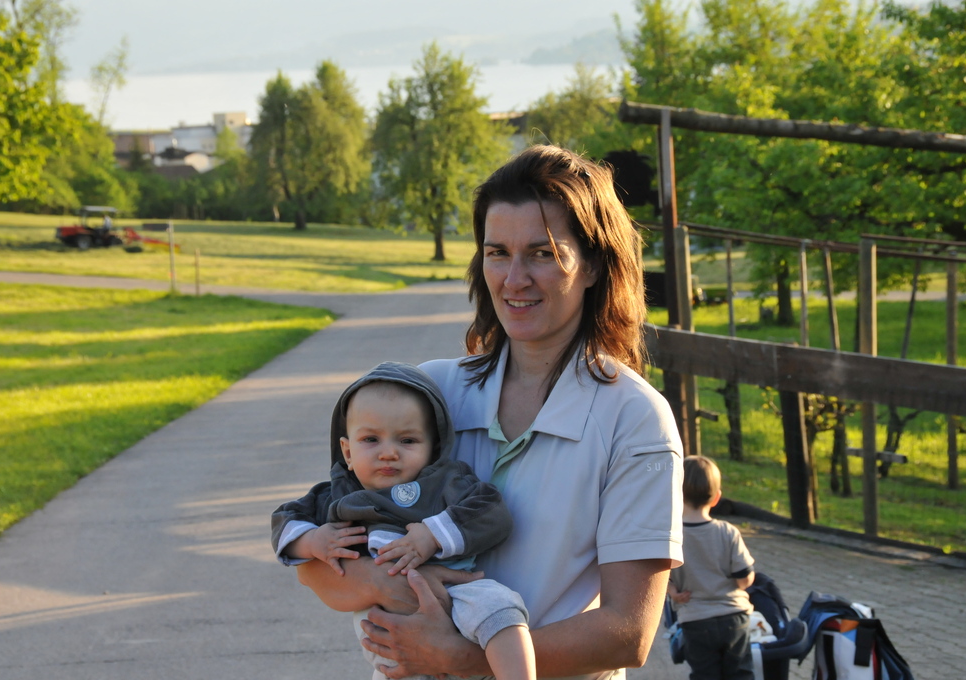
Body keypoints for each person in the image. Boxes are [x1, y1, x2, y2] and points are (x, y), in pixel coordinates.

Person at [295, 144, 684, 680]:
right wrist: (392, 583)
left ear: (593, 264)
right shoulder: (429, 393)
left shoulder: (634, 419)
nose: (514, 278)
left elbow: (628, 632)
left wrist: (464, 657)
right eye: (497, 252)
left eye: (542, 253)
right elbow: (315, 563)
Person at [272, 361, 535, 680]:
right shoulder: (337, 495)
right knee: (392, 663)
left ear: (433, 448)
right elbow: (284, 521)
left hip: (458, 591)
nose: (389, 453)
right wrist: (313, 541)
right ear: (348, 451)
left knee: (503, 610)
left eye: (407, 440)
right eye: (371, 439)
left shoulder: (445, 481)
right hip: (387, 615)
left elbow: (491, 512)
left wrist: (432, 535)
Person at [667, 455, 755, 680]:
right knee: (741, 674)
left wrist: (673, 593)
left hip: (695, 619)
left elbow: (661, 576)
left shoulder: (671, 536)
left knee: (704, 675)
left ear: (676, 494)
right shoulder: (727, 532)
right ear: (716, 498)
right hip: (733, 617)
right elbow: (743, 579)